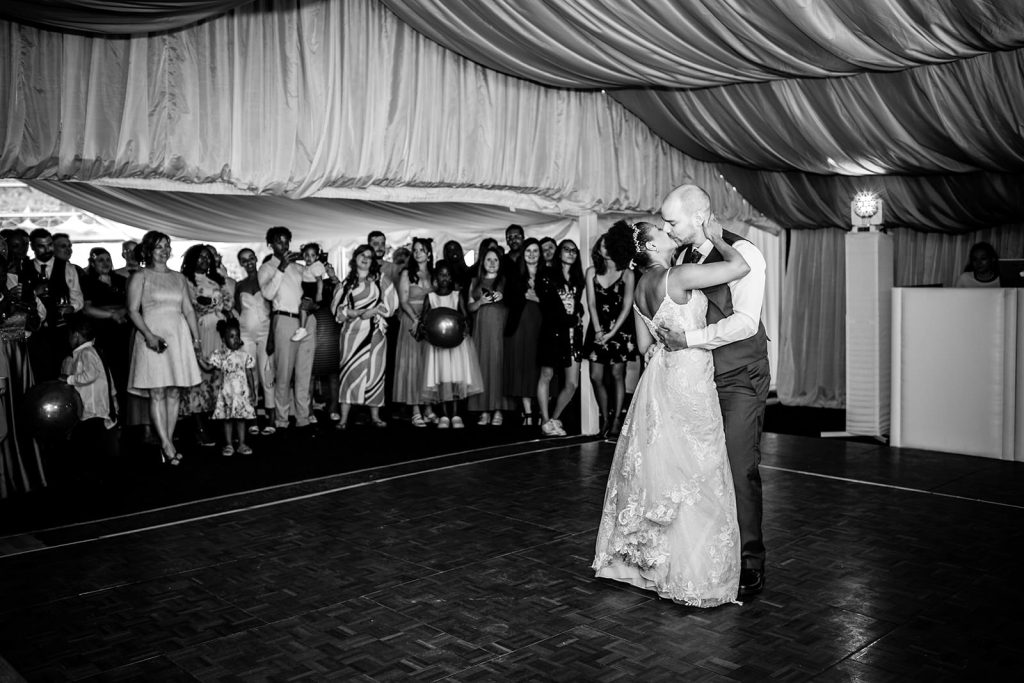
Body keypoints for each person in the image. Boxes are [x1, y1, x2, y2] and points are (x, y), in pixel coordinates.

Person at [592, 217, 751, 607]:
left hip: (660, 377)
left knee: (665, 469)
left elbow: (645, 343)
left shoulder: (644, 286)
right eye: (662, 232)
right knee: (699, 469)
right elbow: (739, 268)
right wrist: (717, 238)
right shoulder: (676, 276)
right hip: (690, 378)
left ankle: (651, 564)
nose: (670, 234)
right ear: (648, 247)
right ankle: (693, 574)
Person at [655, 184, 772, 599]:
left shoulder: (747, 255)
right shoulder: (684, 257)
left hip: (740, 375)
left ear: (699, 216)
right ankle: (708, 553)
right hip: (699, 379)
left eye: (672, 221)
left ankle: (749, 559)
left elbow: (745, 323)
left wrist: (688, 340)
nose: (667, 230)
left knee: (739, 466)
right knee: (701, 468)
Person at [126, 231, 203, 465]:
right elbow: (132, 310)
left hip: (177, 336)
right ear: (149, 251)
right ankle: (167, 445)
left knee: (174, 391)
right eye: (159, 247)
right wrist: (148, 335)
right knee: (157, 391)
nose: (165, 250)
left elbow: (189, 310)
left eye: (167, 246)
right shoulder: (141, 276)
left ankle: (167, 442)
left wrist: (196, 341)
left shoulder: (179, 278)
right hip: (152, 336)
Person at [258, 226, 317, 431]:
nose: (283, 245)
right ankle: (282, 419)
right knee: (283, 373)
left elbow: (313, 293)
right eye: (279, 241)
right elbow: (268, 294)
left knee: (304, 373)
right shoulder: (266, 268)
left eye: (286, 241)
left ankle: (302, 417)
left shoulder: (299, 267)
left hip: (306, 320)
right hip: (284, 320)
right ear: (271, 244)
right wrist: (281, 267)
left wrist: (314, 303)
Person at [332, 244, 397, 429]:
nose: (366, 258)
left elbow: (392, 304)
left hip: (375, 333)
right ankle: (344, 418)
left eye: (369, 256)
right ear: (355, 258)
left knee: (375, 373)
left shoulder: (381, 280)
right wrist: (355, 312)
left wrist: (375, 310)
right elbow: (337, 310)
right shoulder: (346, 283)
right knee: (349, 373)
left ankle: (375, 416)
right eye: (362, 254)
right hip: (351, 334)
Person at [583, 231, 637, 437]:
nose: (604, 248)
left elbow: (627, 306)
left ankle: (616, 420)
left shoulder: (627, 274)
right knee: (595, 376)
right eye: (602, 245)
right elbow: (591, 304)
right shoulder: (591, 272)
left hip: (620, 330)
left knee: (617, 375)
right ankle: (605, 418)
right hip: (597, 329)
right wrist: (598, 330)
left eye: (609, 245)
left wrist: (612, 332)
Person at [179, 244, 230, 445]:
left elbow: (227, 303)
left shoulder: (216, 280)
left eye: (207, 257)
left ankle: (213, 423)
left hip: (218, 334)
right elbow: (189, 307)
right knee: (199, 379)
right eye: (200, 257)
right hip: (199, 331)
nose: (204, 260)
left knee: (217, 379)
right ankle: (198, 427)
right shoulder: (185, 281)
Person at [421, 262, 482, 428]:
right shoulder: (431, 297)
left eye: (447, 275)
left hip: (456, 346)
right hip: (437, 347)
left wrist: (465, 329)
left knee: (455, 377)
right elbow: (424, 320)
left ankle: (456, 415)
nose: (444, 278)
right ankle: (443, 415)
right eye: (441, 275)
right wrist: (426, 331)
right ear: (435, 278)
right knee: (441, 377)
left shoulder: (457, 295)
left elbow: (464, 316)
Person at [21, 228, 84, 381]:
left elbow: (78, 299)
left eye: (50, 245)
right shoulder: (24, 267)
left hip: (61, 331)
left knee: (62, 373)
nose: (47, 249)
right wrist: (33, 292)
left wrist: (72, 307)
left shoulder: (67, 267)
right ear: (33, 247)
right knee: (39, 375)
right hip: (36, 333)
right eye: (41, 246)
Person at [537, 239, 584, 437]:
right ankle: (545, 420)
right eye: (566, 249)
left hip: (573, 334)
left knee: (572, 383)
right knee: (546, 376)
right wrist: (572, 317)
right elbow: (548, 307)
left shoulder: (577, 279)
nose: (571, 253)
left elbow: (578, 303)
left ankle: (554, 419)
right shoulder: (547, 275)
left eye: (574, 251)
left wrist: (578, 313)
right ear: (559, 253)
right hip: (553, 332)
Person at [81, 247, 130, 415]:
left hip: (123, 330)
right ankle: (108, 412)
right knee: (106, 371)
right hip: (102, 332)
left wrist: (122, 312)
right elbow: (87, 309)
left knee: (124, 372)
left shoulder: (121, 280)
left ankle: (125, 415)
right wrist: (111, 314)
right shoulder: (88, 282)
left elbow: (132, 304)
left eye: (108, 259)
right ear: (92, 263)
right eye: (100, 260)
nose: (105, 263)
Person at [61, 317, 119, 462]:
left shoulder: (86, 352)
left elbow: (90, 375)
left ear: (76, 335)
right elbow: (107, 374)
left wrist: (69, 379)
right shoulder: (94, 351)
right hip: (97, 406)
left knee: (94, 441)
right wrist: (113, 396)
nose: (68, 340)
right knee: (101, 439)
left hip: (92, 407)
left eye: (69, 336)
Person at [394, 237, 436, 427]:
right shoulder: (407, 273)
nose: (418, 253)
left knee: (428, 364)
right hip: (411, 320)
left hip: (429, 323)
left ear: (428, 253)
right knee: (412, 364)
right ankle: (415, 410)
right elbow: (403, 301)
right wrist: (416, 319)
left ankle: (428, 407)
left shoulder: (434, 274)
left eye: (422, 249)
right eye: (416, 250)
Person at [467, 244, 511, 425]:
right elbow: (469, 307)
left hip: (500, 329)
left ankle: (499, 409)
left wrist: (504, 297)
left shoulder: (506, 281)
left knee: (499, 365)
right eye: (488, 260)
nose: (492, 263)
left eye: (495, 260)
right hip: (481, 330)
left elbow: (516, 304)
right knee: (482, 365)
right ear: (482, 262)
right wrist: (481, 301)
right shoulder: (474, 282)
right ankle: (484, 410)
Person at [235, 248, 276, 434]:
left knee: (266, 373)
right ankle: (251, 418)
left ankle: (271, 419)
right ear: (241, 264)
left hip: (265, 331)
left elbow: (275, 309)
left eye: (251, 258)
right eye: (244, 260)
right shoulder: (239, 285)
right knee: (249, 376)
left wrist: (272, 338)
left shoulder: (266, 280)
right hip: (245, 335)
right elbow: (236, 310)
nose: (249, 262)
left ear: (256, 259)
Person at [503, 238, 543, 425]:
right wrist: (525, 296)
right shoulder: (514, 274)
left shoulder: (547, 273)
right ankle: (527, 411)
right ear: (523, 253)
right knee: (524, 365)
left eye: (536, 251)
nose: (532, 254)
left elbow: (552, 301)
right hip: (520, 325)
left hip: (542, 324)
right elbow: (508, 299)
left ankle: (541, 409)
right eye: (529, 251)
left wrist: (536, 298)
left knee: (540, 365)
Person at [202, 318, 257, 456]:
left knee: (241, 419)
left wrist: (253, 392)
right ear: (224, 340)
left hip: (241, 394)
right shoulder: (221, 356)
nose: (236, 339)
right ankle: (229, 444)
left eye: (237, 336)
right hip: (227, 393)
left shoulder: (244, 356)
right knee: (227, 419)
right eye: (231, 337)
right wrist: (198, 359)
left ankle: (242, 443)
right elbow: (208, 367)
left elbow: (250, 374)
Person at [292, 242, 326, 342]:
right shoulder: (308, 267)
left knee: (303, 308)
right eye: (306, 255)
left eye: (312, 255)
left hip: (311, 290)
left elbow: (319, 281)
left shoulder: (316, 267)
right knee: (303, 309)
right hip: (307, 290)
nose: (308, 258)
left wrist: (319, 294)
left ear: (317, 256)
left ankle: (302, 329)